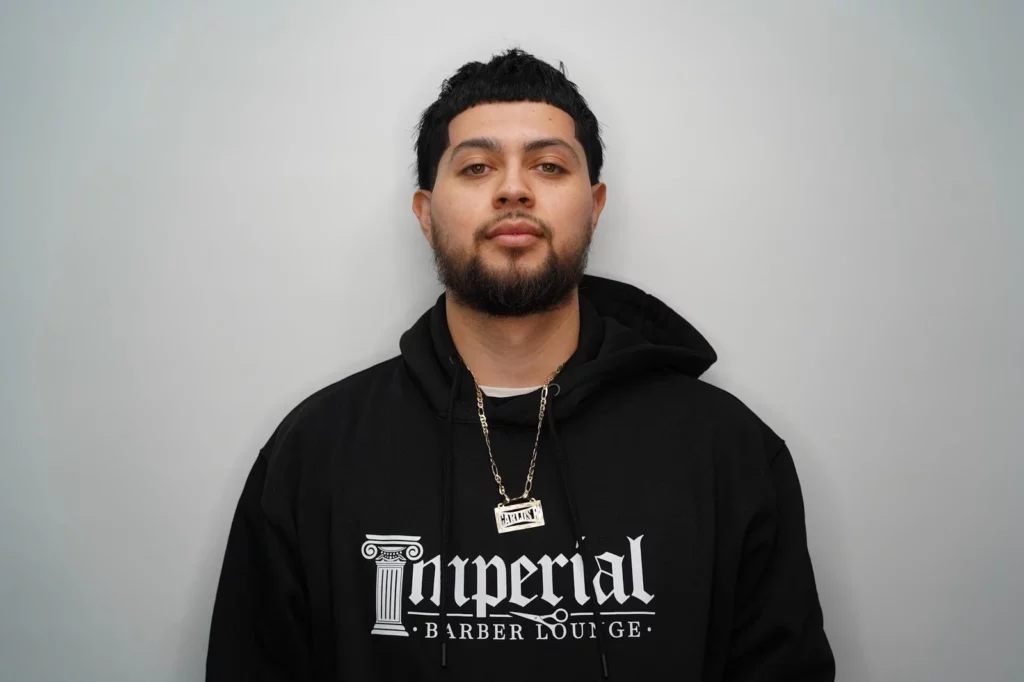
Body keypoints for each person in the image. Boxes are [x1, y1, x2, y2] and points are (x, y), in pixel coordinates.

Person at [206, 47, 835, 681]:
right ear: (426, 215)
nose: (513, 188)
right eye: (477, 166)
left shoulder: (727, 451)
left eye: (549, 165)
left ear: (594, 205)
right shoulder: (315, 453)